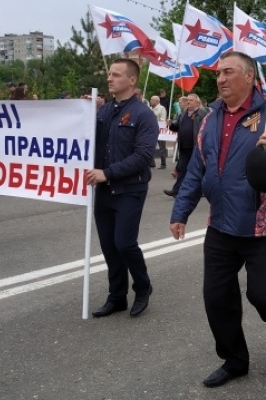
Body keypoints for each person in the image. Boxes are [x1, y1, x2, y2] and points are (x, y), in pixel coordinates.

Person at [169, 51, 266, 387]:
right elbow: (196, 169)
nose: (220, 79)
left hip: (264, 224)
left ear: (248, 76)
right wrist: (181, 211)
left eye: (228, 72)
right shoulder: (210, 118)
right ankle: (234, 360)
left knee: (265, 296)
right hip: (221, 224)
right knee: (217, 298)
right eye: (218, 73)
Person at [85, 58, 158, 318]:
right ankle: (117, 296)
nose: (109, 78)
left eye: (116, 75)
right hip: (104, 190)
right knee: (109, 246)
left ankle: (143, 287)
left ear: (132, 80)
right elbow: (89, 142)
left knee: (124, 243)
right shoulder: (104, 111)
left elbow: (143, 156)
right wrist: (83, 115)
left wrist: (107, 173)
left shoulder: (144, 115)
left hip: (129, 188)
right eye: (110, 74)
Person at [163, 93, 208, 197]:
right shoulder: (183, 113)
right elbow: (176, 127)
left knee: (197, 170)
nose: (188, 102)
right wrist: (171, 125)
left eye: (191, 100)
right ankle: (176, 190)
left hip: (196, 147)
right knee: (181, 169)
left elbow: (206, 130)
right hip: (184, 147)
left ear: (197, 103)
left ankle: (201, 190)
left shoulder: (202, 114)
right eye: (187, 100)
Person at [150, 95, 168, 169]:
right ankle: (151, 163)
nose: (150, 101)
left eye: (152, 100)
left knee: (162, 147)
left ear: (157, 101)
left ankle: (163, 163)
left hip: (160, 130)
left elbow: (163, 119)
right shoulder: (150, 109)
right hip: (151, 130)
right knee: (151, 146)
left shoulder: (161, 108)